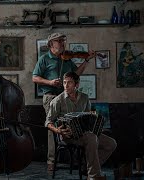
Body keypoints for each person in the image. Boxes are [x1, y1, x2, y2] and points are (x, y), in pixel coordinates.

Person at [32, 32, 95, 171]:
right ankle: (51, 161)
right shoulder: (44, 59)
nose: (62, 43)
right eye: (59, 41)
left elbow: (76, 75)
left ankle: (80, 161)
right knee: (53, 127)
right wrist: (50, 82)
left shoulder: (66, 59)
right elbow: (35, 78)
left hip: (67, 96)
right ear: (50, 44)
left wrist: (86, 61)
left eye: (63, 40)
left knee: (76, 123)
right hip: (51, 97)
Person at [45, 71, 116, 179]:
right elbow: (48, 122)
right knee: (92, 138)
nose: (66, 85)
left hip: (85, 134)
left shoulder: (84, 98)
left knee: (111, 143)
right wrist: (58, 131)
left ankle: (85, 167)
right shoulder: (57, 101)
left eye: (69, 82)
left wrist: (95, 124)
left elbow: (89, 117)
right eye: (64, 82)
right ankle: (93, 176)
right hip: (67, 136)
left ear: (77, 84)